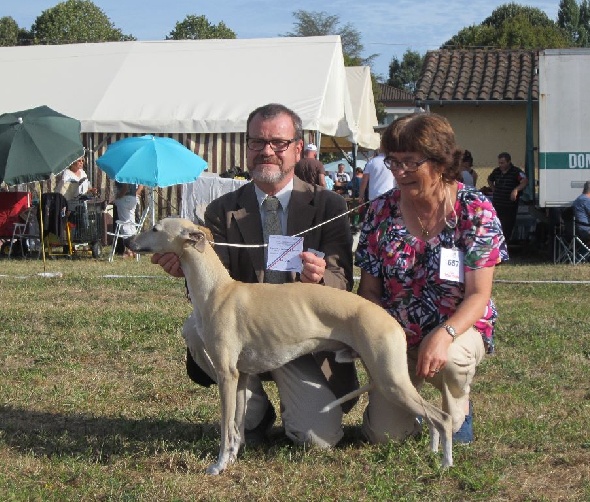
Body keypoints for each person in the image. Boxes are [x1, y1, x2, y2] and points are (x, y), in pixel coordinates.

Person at [152, 103, 358, 448]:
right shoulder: (220, 210)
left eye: (278, 143)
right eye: (256, 142)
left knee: (318, 439)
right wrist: (187, 270)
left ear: (297, 147)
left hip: (300, 340)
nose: (266, 151)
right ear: (246, 147)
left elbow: (343, 282)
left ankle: (292, 408)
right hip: (244, 337)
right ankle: (254, 413)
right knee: (195, 327)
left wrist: (320, 278)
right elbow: (210, 293)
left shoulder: (329, 206)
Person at [355, 113, 506, 446]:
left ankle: (458, 402)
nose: (399, 172)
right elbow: (368, 290)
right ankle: (405, 411)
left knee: (450, 362)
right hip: (396, 336)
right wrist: (381, 339)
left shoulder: (475, 210)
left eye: (411, 162)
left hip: (458, 328)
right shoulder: (379, 211)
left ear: (440, 162)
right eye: (392, 162)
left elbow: (478, 295)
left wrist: (444, 333)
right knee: (385, 436)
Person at [486, 152, 528, 243]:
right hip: (497, 204)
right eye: (499, 163)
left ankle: (504, 248)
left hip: (509, 206)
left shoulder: (516, 171)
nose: (500, 165)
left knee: (506, 228)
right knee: (495, 226)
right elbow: (489, 179)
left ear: (508, 162)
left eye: (503, 163)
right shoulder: (497, 171)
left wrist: (516, 190)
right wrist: (493, 188)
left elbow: (524, 181)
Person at [113, 181, 140, 258]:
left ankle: (129, 249)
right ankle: (135, 248)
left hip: (124, 198)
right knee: (131, 224)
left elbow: (125, 187)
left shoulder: (122, 173)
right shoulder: (131, 172)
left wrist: (119, 196)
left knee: (124, 224)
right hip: (132, 197)